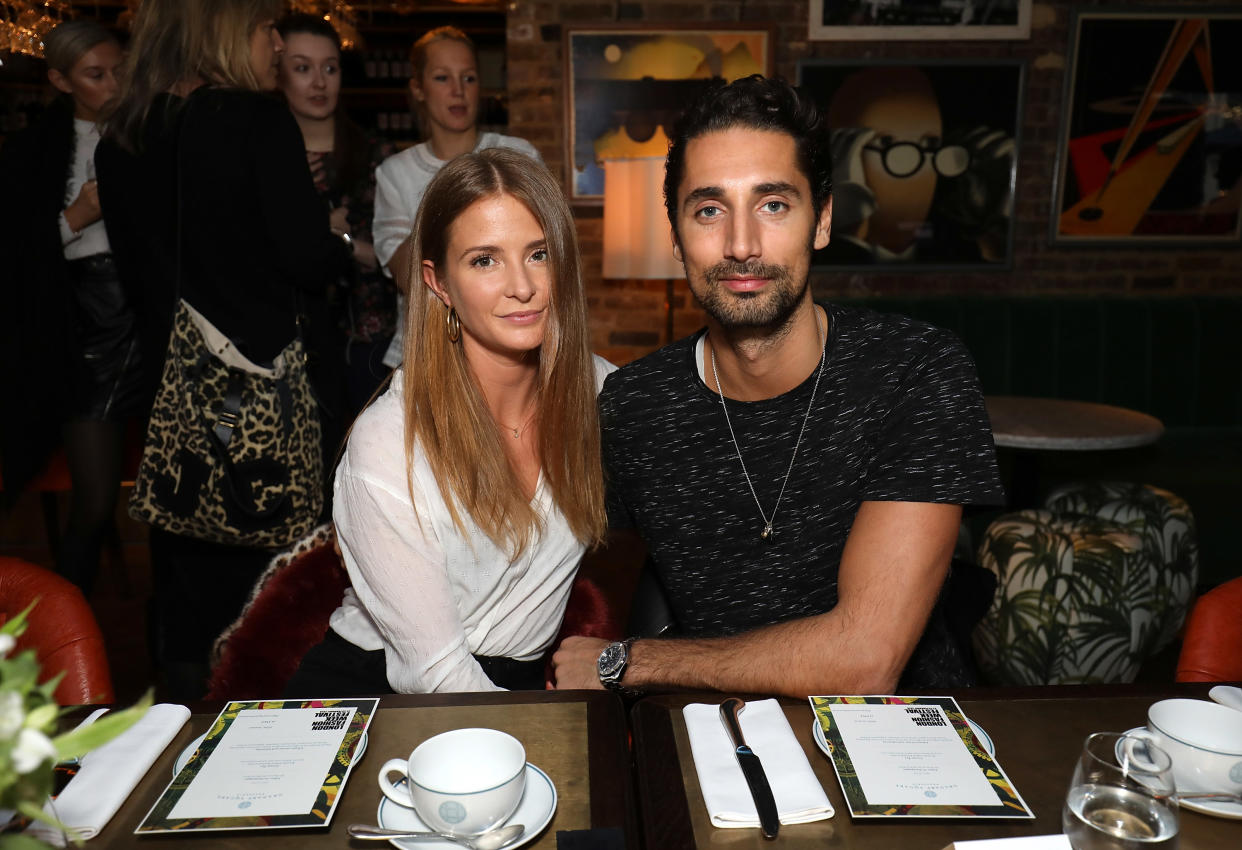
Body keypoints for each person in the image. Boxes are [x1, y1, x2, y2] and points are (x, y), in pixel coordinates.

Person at [551, 75, 1004, 699]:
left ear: (820, 221)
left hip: (898, 743)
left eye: (773, 204)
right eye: (709, 210)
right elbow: (555, 567)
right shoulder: (633, 406)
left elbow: (864, 662)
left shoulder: (916, 372)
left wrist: (633, 661)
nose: (741, 245)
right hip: (710, 737)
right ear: (677, 235)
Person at [284, 148, 614, 696]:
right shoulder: (391, 440)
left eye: (538, 254)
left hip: (513, 689)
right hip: (378, 698)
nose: (522, 286)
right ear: (438, 283)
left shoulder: (602, 396)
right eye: (485, 260)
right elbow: (436, 676)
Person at [96, 0, 350, 701]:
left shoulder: (120, 136)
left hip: (177, 395)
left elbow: (137, 270)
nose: (275, 41)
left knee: (186, 573)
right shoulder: (255, 119)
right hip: (267, 396)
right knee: (279, 577)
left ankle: (187, 723)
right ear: (226, 29)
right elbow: (303, 257)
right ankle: (277, 736)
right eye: (268, 27)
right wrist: (340, 245)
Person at [0, 20, 133, 595]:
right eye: (95, 75)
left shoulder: (146, 137)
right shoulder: (31, 152)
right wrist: (77, 216)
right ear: (59, 79)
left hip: (147, 322)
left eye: (120, 71)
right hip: (80, 330)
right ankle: (62, 633)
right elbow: (13, 257)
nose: (113, 85)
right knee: (97, 499)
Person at [371, 26, 540, 371]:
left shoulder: (518, 155)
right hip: (426, 355)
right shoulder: (395, 173)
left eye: (469, 78)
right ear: (418, 88)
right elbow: (408, 275)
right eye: (442, 78)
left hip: (517, 347)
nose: (458, 91)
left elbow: (550, 251)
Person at [277, 14, 397, 417]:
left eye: (330, 68)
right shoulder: (268, 159)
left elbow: (400, 254)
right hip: (287, 344)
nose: (319, 81)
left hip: (369, 341)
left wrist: (340, 240)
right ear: (277, 73)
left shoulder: (375, 154)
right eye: (302, 68)